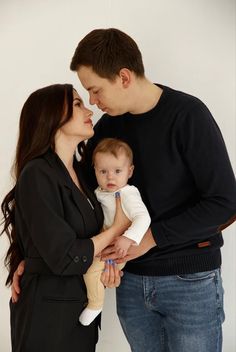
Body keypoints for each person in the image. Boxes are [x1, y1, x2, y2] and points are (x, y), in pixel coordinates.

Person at [12, 28, 236, 352]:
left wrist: (152, 237)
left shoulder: (188, 116)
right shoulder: (108, 128)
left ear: (124, 77)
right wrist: (31, 259)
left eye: (95, 90)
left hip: (189, 282)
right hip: (129, 285)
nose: (92, 101)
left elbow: (225, 202)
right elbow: (68, 201)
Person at [1, 83, 130, 352]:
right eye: (77, 104)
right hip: (46, 316)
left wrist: (110, 263)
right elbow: (64, 255)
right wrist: (116, 230)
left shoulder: (84, 174)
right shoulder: (37, 173)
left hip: (79, 312)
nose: (90, 110)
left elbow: (81, 245)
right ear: (51, 116)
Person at [79, 137, 151, 326]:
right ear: (94, 171)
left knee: (91, 271)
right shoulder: (99, 193)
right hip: (105, 241)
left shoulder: (128, 193)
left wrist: (128, 238)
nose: (110, 177)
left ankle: (95, 304)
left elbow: (144, 218)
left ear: (130, 171)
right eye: (103, 171)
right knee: (89, 269)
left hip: (121, 248)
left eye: (117, 171)